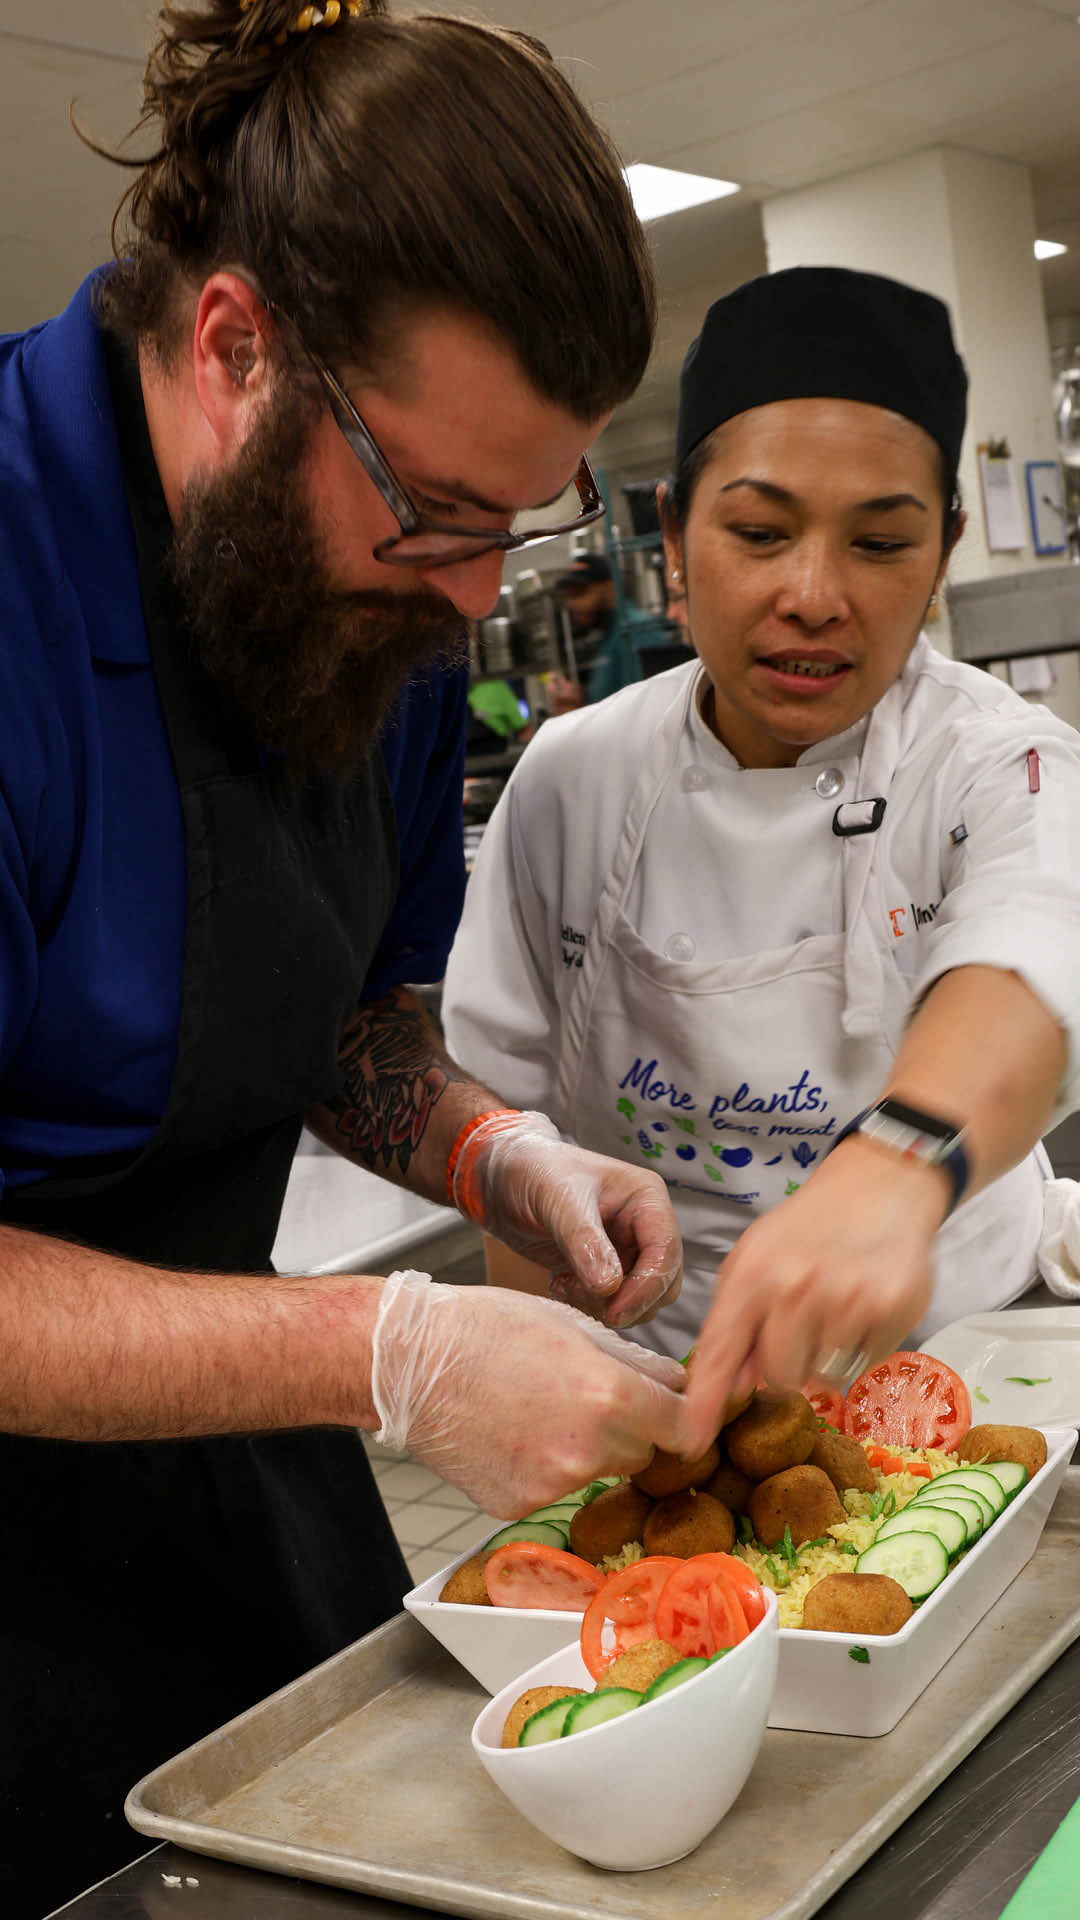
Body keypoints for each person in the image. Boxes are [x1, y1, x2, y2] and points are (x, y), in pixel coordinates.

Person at [0, 4, 692, 1912]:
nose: (477, 597)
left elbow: (333, 1018)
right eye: (441, 513)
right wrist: (385, 1347)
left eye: (518, 519)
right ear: (236, 350)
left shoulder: (364, 608)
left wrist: (491, 1155)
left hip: (236, 1477)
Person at [442, 265, 1080, 1453]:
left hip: (967, 1375)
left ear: (941, 555)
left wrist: (893, 1167)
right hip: (660, 1394)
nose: (813, 594)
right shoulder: (572, 780)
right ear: (675, 541)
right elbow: (511, 1135)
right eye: (758, 532)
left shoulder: (1005, 764)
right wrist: (530, 1401)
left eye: (881, 543)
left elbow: (1036, 963)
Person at [546, 552, 658, 709]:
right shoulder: (609, 633)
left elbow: (641, 705)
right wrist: (582, 699)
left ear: (609, 588)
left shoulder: (635, 629)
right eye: (569, 596)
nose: (572, 604)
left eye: (580, 593)